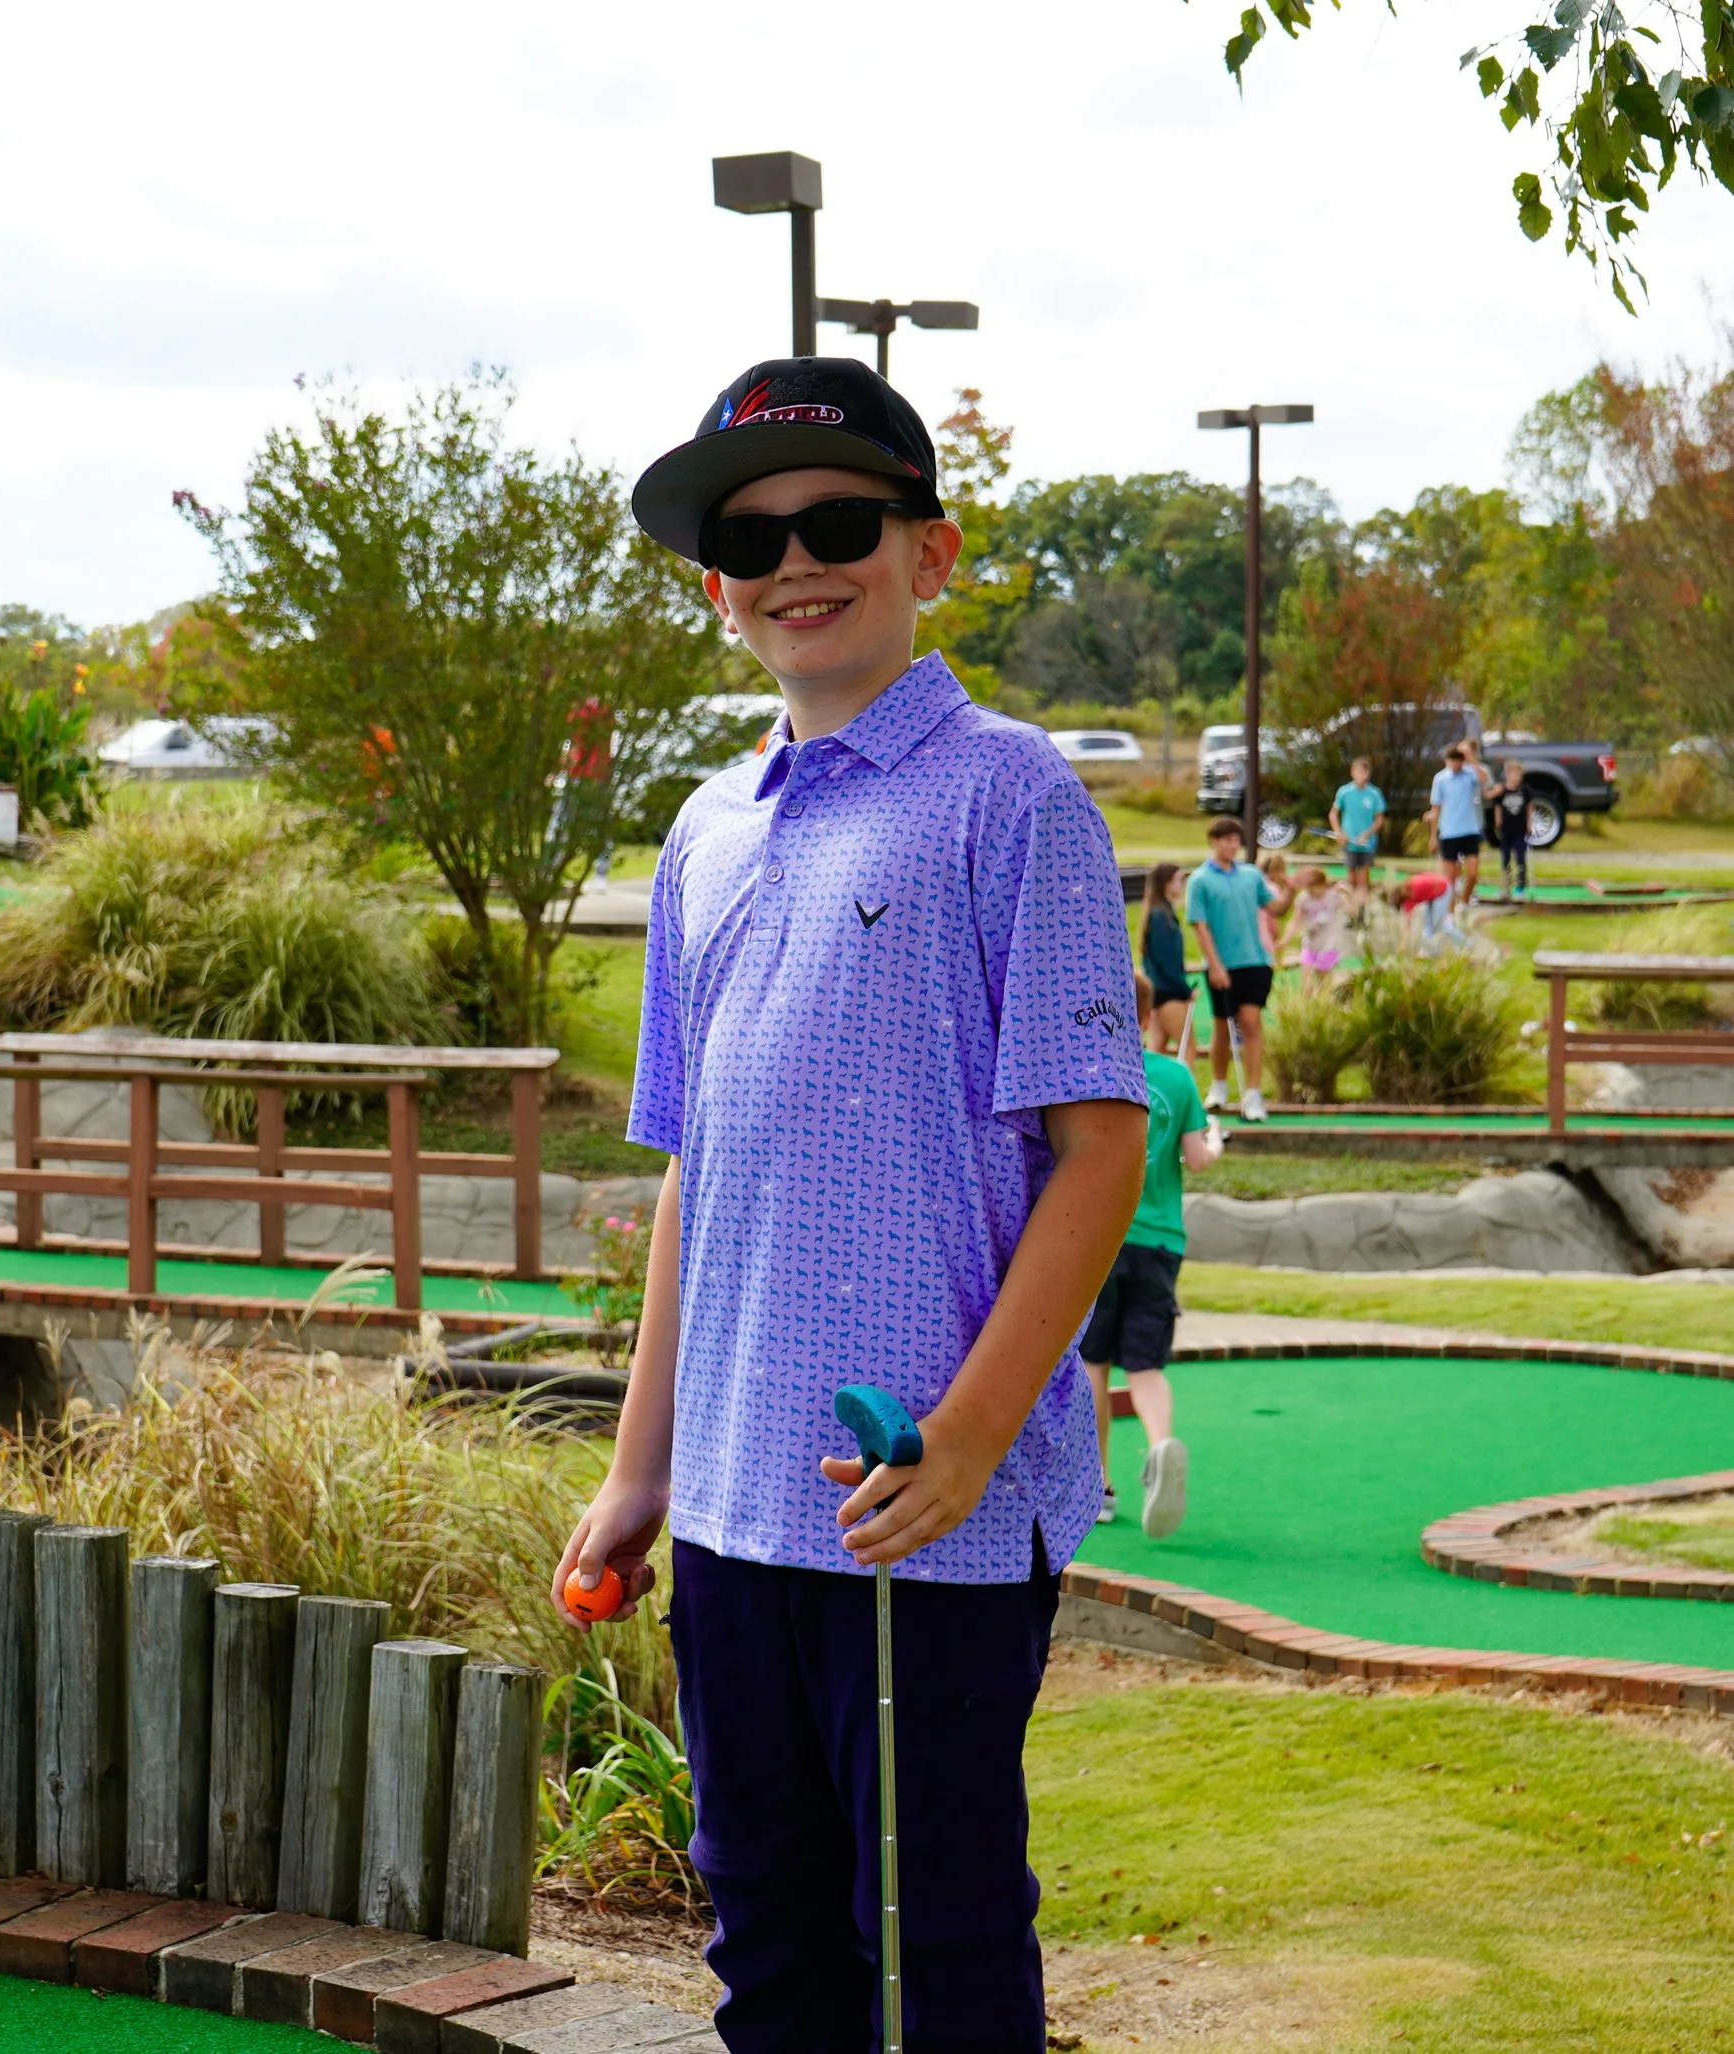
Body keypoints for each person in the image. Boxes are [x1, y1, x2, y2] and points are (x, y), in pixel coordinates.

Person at [555, 355, 1147, 2053]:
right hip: (736, 1509)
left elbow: (1099, 1150)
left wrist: (966, 1435)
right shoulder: (702, 833)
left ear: (929, 551)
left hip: (926, 1512)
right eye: (751, 543)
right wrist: (639, 1464)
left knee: (944, 1958)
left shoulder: (1014, 792)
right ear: (715, 588)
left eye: (838, 521)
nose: (795, 563)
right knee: (773, 1952)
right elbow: (694, 1167)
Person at [1084, 972, 1222, 1535]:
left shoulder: (1093, 1074)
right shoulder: (1177, 1078)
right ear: (1146, 1016)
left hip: (1100, 1239)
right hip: (1161, 1242)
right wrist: (1213, 1139)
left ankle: (1099, 1486)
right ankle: (1161, 1444)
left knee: (1093, 1363)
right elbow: (1197, 1157)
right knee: (1146, 1366)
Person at [1186, 816, 1293, 1123]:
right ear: (1214, 841)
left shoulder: (1251, 876)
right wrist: (1216, 966)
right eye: (1226, 840)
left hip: (1256, 962)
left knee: (1250, 1022)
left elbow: (1276, 909)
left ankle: (1253, 1094)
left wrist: (1291, 892)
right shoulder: (1200, 880)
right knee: (1222, 1027)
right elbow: (1201, 928)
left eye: (1236, 840)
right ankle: (1219, 1087)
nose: (1232, 845)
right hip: (1222, 966)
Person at [1138, 860, 1191, 1054]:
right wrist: (1185, 989)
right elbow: (1165, 960)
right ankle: (1184, 1085)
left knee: (1156, 1049)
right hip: (1168, 991)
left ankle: (1150, 1085)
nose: (1181, 885)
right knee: (1188, 1048)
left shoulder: (1163, 913)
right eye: (1178, 880)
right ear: (1167, 884)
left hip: (1161, 990)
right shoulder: (1161, 917)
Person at [1427, 742, 1486, 906]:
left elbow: (1483, 779)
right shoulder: (1440, 779)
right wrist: (1433, 836)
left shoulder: (1469, 774)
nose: (1454, 764)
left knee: (1473, 874)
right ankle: (1450, 913)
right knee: (1450, 877)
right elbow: (1435, 809)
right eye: (1451, 760)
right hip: (1449, 832)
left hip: (1469, 830)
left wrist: (1471, 758)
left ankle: (1465, 901)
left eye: (1457, 760)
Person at [1329, 756, 1387, 911]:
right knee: (1351, 878)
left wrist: (1366, 835)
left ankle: (1361, 910)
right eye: (1360, 772)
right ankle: (1351, 910)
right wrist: (1339, 832)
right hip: (1349, 843)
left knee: (1363, 878)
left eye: (1365, 772)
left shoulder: (1374, 793)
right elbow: (1333, 814)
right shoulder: (1344, 792)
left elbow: (1379, 819)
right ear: (1352, 772)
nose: (1363, 776)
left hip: (1367, 844)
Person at [1282, 863, 1348, 982]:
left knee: (1323, 987)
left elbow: (1353, 912)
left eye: (1313, 888)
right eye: (1308, 888)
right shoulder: (1304, 898)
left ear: (1323, 884)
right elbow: (1295, 921)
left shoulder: (1333, 896)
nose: (1310, 891)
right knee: (1306, 986)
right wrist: (1285, 940)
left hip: (1329, 947)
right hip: (1309, 945)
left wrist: (1348, 893)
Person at [1492, 759, 1535, 900]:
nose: (1517, 778)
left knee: (1520, 858)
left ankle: (1520, 888)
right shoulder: (1502, 791)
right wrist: (1498, 822)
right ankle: (1505, 887)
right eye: (1514, 774)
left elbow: (1529, 807)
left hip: (1520, 830)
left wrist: (1530, 823)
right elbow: (1497, 807)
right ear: (1507, 774)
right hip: (1506, 830)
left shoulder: (1525, 791)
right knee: (1505, 859)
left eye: (1519, 775)